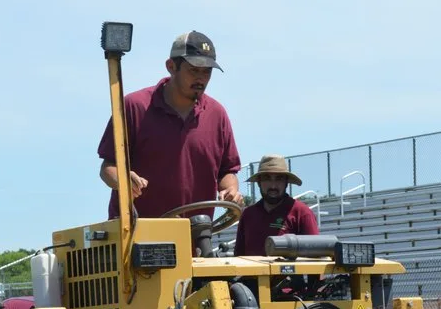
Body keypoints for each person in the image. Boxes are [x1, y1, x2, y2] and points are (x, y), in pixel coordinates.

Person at [97, 30, 244, 230]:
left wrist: (231, 190)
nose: (201, 78)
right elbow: (108, 167)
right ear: (171, 66)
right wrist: (122, 180)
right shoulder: (134, 106)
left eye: (207, 71)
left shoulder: (217, 114)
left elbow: (227, 171)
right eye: (194, 70)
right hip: (135, 238)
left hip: (196, 240)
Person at [233, 155, 319, 256]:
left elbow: (316, 258)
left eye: (279, 179)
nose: (273, 185)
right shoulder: (248, 215)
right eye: (267, 178)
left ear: (286, 182)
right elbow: (239, 257)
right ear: (259, 183)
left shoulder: (302, 213)